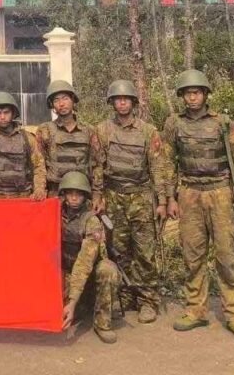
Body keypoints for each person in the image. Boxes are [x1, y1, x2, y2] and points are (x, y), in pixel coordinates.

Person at [163, 69, 234, 342]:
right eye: (187, 93)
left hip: (220, 193)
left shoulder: (224, 123)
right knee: (193, 257)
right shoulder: (174, 124)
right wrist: (170, 198)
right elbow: (167, 163)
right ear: (182, 96)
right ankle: (196, 310)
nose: (192, 98)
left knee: (227, 256)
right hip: (189, 193)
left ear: (205, 94)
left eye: (197, 92)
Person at [89, 79, 168, 323]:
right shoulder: (102, 130)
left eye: (126, 99)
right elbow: (97, 166)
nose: (122, 103)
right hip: (114, 197)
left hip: (141, 197)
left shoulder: (148, 131)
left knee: (144, 251)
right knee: (118, 250)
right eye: (118, 99)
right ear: (112, 103)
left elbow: (158, 167)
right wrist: (98, 195)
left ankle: (147, 300)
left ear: (133, 102)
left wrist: (162, 201)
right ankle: (124, 296)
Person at [58, 171, 121, 344]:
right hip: (66, 271)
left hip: (89, 273)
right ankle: (81, 306)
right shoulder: (55, 213)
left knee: (107, 269)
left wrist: (72, 301)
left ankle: (102, 323)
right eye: (70, 193)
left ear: (85, 195)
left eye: (78, 194)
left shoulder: (91, 220)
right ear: (64, 194)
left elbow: (85, 262)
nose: (74, 198)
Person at [37, 79, 93, 196]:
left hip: (81, 193)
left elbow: (97, 165)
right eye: (56, 100)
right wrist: (40, 189)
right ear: (52, 105)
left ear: (73, 100)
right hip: (55, 192)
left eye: (65, 98)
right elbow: (39, 165)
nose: (61, 104)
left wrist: (97, 193)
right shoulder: (45, 130)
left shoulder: (88, 131)